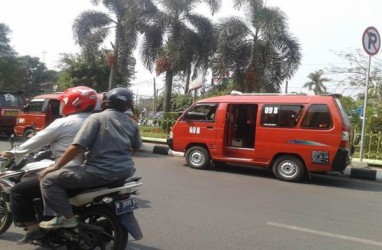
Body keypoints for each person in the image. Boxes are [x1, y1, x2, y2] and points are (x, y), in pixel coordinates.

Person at [0, 86, 98, 244]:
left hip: (68, 169)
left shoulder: (65, 122)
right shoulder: (97, 120)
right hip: (93, 171)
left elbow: (36, 141)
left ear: (73, 102)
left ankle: (34, 231)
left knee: (19, 191)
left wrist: (13, 152)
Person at [38, 87, 142, 229]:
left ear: (105, 102)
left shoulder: (96, 118)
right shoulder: (132, 123)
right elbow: (135, 147)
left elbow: (78, 147)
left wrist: (56, 167)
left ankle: (66, 218)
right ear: (128, 105)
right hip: (125, 172)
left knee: (48, 180)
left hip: (100, 173)